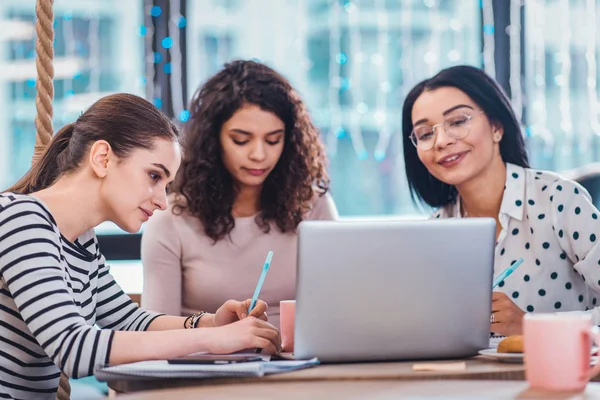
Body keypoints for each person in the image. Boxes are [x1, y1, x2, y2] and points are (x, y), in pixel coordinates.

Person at [0, 93, 280, 399]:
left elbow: (130, 322)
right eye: (154, 176)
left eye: (167, 185)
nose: (162, 201)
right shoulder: (21, 217)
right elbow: (74, 348)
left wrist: (209, 323)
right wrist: (214, 340)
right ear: (102, 158)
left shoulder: (81, 240)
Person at [402, 65, 600, 336]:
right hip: (468, 377)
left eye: (458, 121)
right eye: (425, 134)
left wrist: (533, 327)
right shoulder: (436, 231)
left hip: (557, 376)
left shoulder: (559, 200)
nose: (441, 141)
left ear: (496, 127)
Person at [141, 60, 338, 328]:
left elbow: (333, 313)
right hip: (202, 365)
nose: (259, 155)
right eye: (241, 140)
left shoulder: (313, 206)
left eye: (273, 140)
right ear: (213, 139)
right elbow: (155, 332)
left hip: (296, 365)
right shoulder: (170, 218)